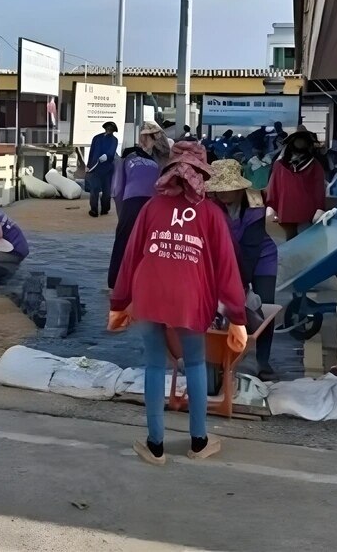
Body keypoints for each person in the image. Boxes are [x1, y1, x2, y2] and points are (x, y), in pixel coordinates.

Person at [111, 141, 246, 465]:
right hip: (190, 297)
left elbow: (131, 258)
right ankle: (198, 442)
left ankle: (154, 446)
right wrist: (237, 317)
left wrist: (119, 301)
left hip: (149, 294)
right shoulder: (212, 214)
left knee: (155, 365)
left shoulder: (151, 208)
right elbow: (227, 267)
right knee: (196, 363)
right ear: (201, 174)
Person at [207, 160, 278, 378]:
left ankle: (263, 361)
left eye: (228, 189)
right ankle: (219, 354)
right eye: (219, 189)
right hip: (227, 256)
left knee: (263, 307)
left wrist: (239, 284)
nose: (223, 194)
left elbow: (250, 249)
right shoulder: (211, 205)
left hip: (261, 257)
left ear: (239, 188)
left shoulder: (255, 206)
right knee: (217, 307)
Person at [106, 120, 167, 287]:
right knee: (147, 243)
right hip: (151, 203)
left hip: (134, 202)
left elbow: (117, 189)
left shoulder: (131, 158)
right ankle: (143, 281)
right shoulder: (160, 161)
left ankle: (117, 281)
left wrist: (122, 215)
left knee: (126, 240)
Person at [265, 126, 327, 240]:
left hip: (302, 210)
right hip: (292, 209)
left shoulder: (314, 165)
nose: (301, 142)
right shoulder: (280, 164)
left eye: (303, 139)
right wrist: (272, 205)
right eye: (299, 139)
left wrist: (319, 207)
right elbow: (274, 186)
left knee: (302, 240)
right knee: (295, 240)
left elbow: (318, 189)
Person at [85, 121, 119, 217]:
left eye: (111, 129)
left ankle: (105, 209)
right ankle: (94, 210)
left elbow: (111, 153)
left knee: (106, 190)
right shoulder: (97, 138)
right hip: (95, 168)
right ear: (105, 128)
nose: (109, 130)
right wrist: (88, 165)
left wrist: (107, 156)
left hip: (107, 168)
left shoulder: (114, 140)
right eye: (108, 128)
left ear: (113, 131)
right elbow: (91, 152)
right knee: (94, 188)